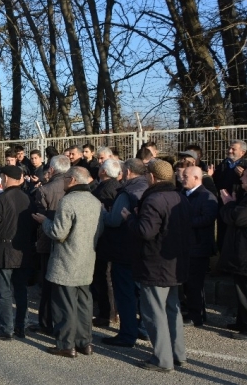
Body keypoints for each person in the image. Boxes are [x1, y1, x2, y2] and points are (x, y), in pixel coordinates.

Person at [122, 159, 191, 372]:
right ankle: (178, 354)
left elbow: (145, 231)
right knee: (172, 309)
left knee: (154, 312)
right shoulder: (180, 197)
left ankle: (162, 359)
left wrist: (129, 218)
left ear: (152, 177)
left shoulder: (154, 199)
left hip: (154, 264)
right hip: (175, 263)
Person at [33, 166, 104, 358]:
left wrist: (44, 222)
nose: (62, 182)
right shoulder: (96, 202)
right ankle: (84, 342)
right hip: (87, 259)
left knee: (64, 304)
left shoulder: (68, 201)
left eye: (65, 179)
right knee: (84, 303)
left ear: (72, 180)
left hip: (66, 261)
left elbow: (58, 233)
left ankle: (65, 344)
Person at [100, 158, 150, 348]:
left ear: (127, 172)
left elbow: (114, 220)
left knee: (125, 294)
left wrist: (104, 211)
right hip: (143, 248)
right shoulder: (148, 188)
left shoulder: (126, 192)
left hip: (124, 249)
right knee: (142, 291)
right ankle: (145, 328)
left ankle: (127, 333)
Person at [0, 166, 34, 340]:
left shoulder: (0, 199)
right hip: (23, 250)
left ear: (5, 178)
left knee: (4, 291)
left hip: (4, 250)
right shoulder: (28, 198)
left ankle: (7, 328)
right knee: (21, 289)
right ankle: (22, 325)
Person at [29, 155, 70, 336]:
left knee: (47, 283)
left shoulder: (45, 190)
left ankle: (46, 322)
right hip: (70, 241)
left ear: (51, 170)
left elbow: (38, 217)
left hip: (48, 239)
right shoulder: (72, 188)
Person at [181, 166, 218, 327]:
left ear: (196, 178)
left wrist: (184, 223)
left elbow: (207, 219)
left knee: (195, 283)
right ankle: (191, 311)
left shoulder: (206, 196)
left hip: (199, 246)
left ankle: (196, 315)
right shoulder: (183, 194)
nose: (182, 179)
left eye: (186, 177)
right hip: (186, 245)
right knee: (187, 282)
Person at [218, 167, 247, 340]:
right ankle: (242, 321)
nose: (241, 181)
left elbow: (238, 218)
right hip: (242, 252)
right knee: (241, 289)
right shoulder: (245, 197)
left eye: (245, 177)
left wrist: (229, 204)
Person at [90, 158, 122, 327]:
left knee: (104, 277)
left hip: (105, 239)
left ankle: (107, 313)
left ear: (103, 171)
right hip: (111, 240)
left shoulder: (104, 190)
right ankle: (112, 311)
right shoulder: (117, 186)